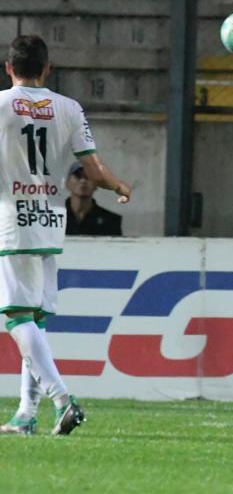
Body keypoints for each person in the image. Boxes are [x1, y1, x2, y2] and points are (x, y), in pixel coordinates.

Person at [0, 35, 131, 436]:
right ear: (48, 68)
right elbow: (92, 170)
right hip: (50, 219)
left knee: (16, 318)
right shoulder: (69, 108)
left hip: (12, 220)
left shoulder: (1, 105)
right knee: (35, 320)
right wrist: (118, 186)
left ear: (9, 68)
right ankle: (25, 413)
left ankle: (62, 400)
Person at [65, 162, 123, 236]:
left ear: (96, 185)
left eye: (88, 176)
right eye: (78, 176)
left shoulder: (111, 221)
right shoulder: (55, 216)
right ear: (67, 183)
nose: (83, 181)